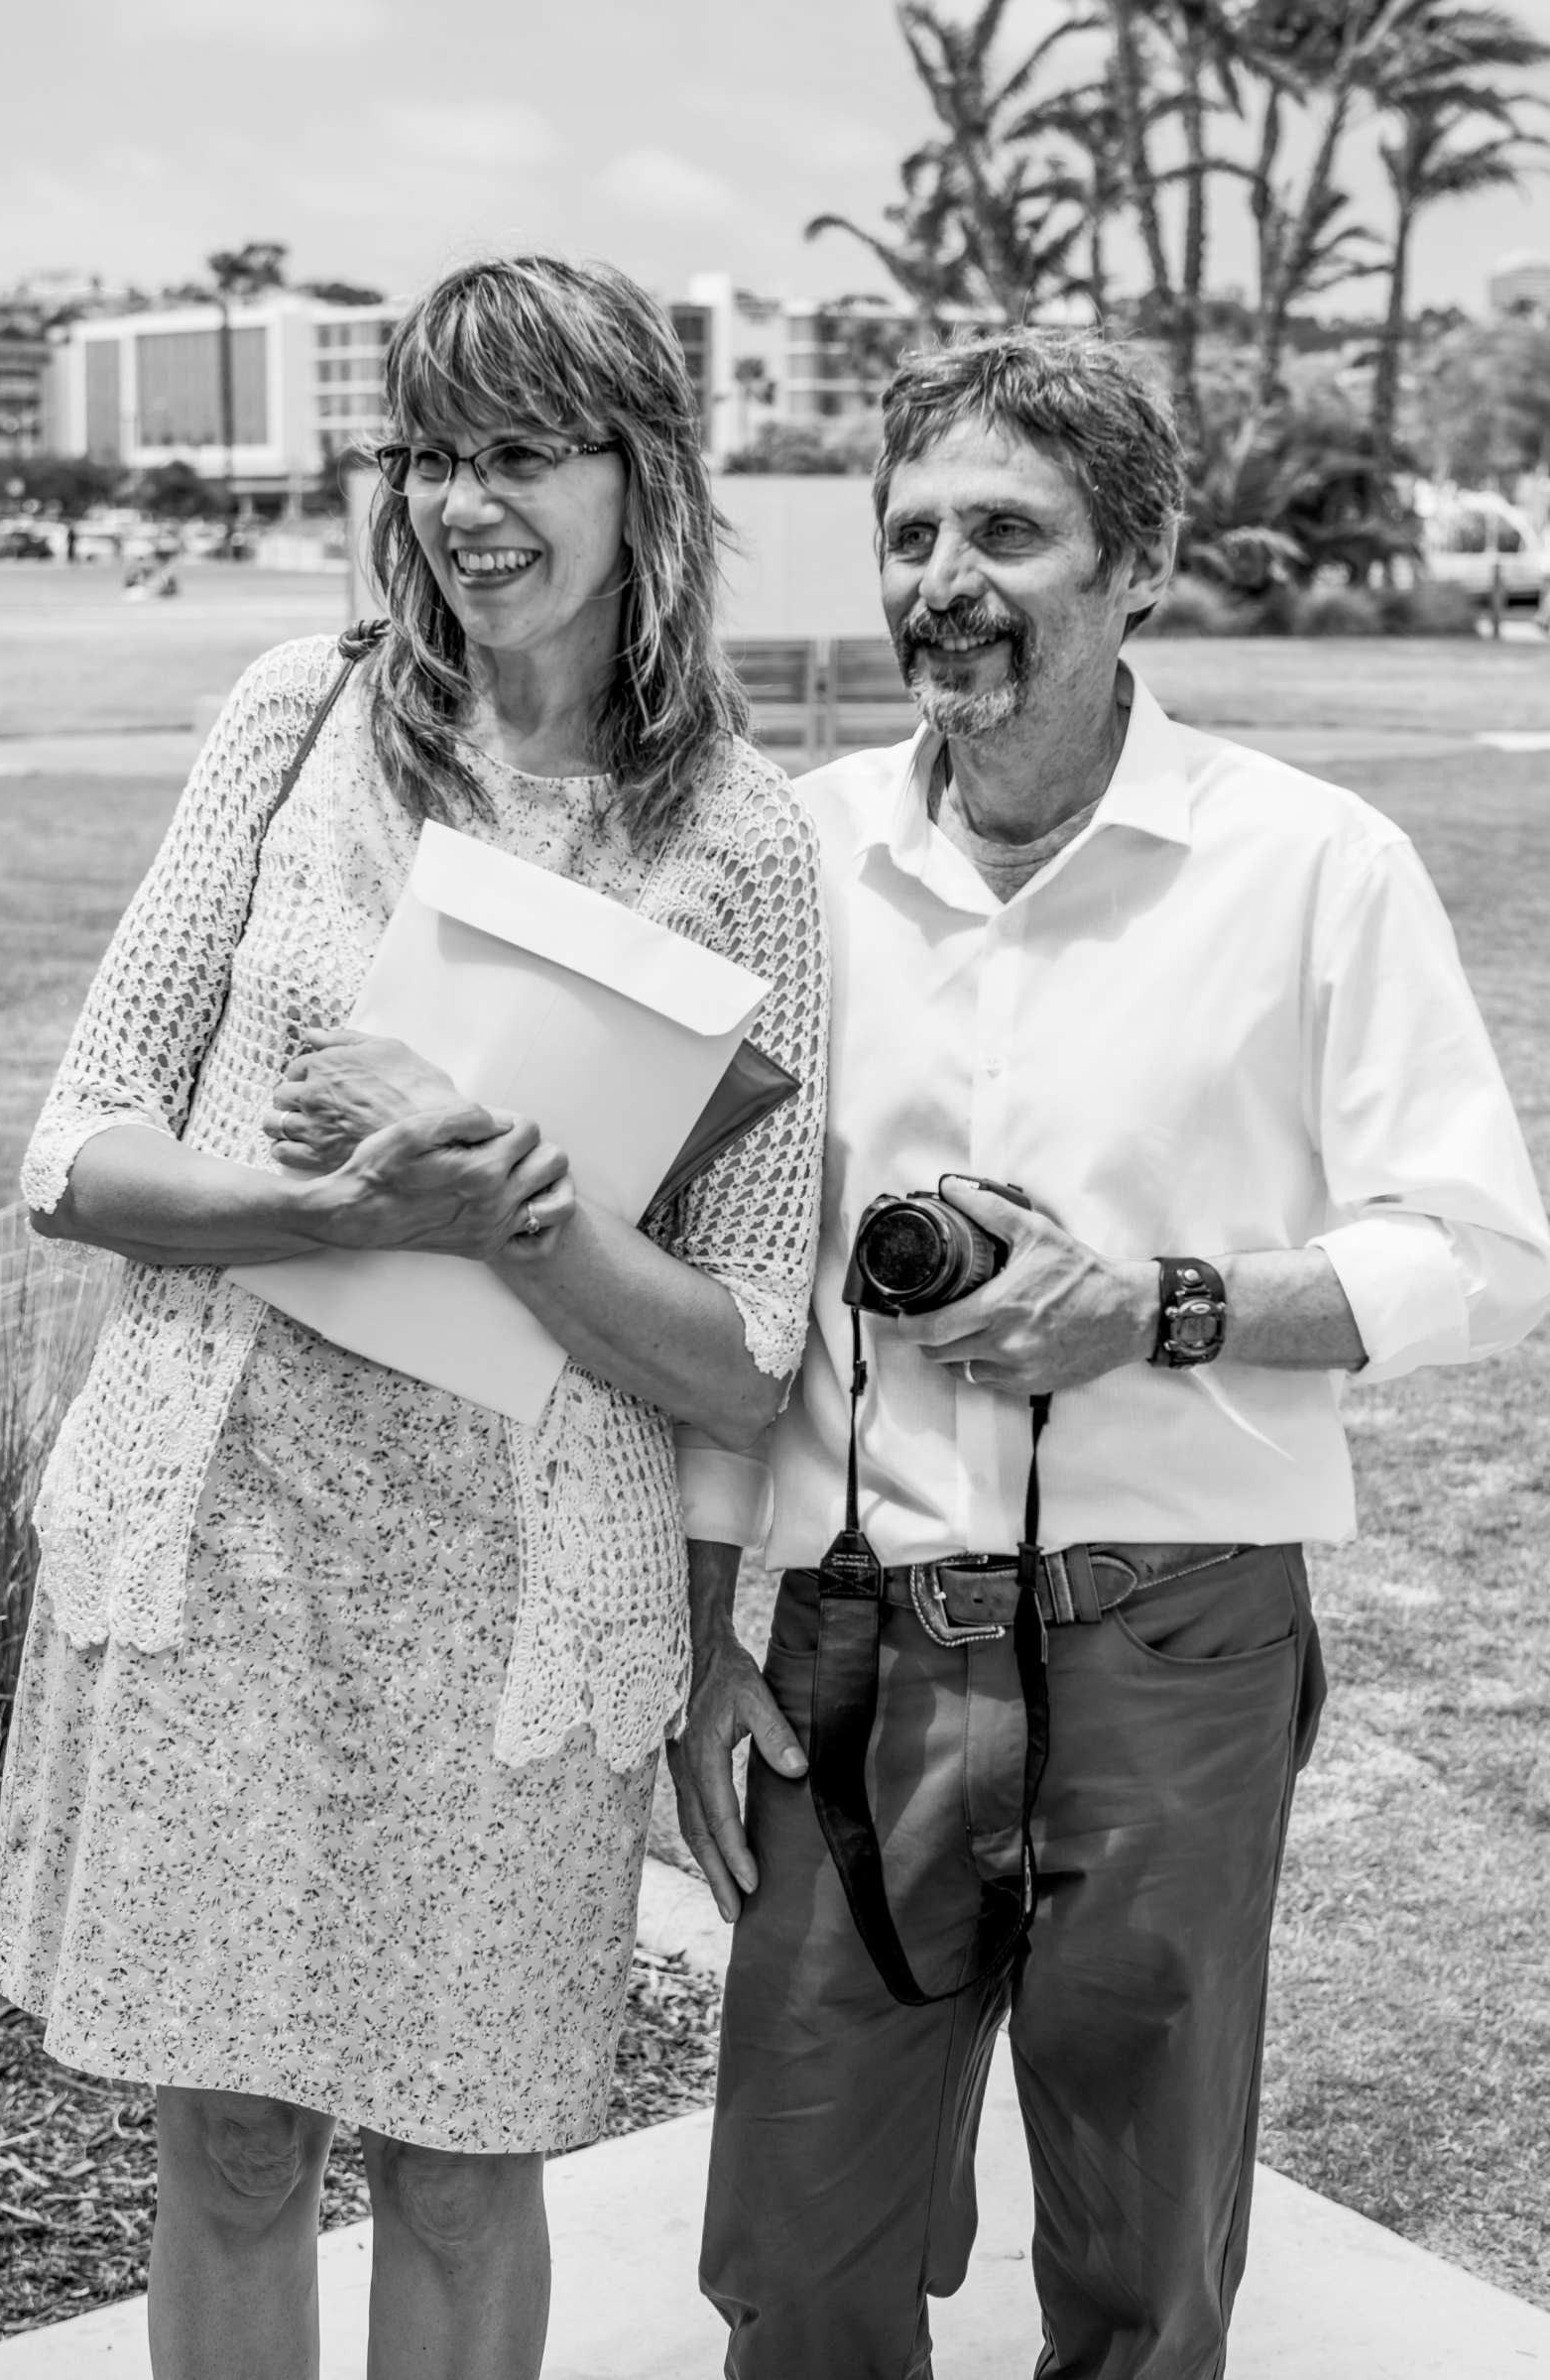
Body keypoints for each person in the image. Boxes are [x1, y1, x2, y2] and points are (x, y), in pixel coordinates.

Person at [669, 327, 1550, 2380]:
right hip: (844, 1654)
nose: (939, 580)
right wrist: (701, 1627)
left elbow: (1480, 1252)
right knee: (794, 2260)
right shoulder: (787, 863)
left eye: (1005, 531)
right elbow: (718, 1275)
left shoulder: (1307, 863)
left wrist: (1150, 1305)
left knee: (1143, 2272)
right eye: (911, 535)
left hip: (1171, 1646)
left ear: (1136, 559)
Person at [0, 256, 827, 2380]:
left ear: (643, 481)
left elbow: (740, 1345)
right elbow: (73, 1150)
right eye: (432, 451)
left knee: (463, 2160)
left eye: (520, 450)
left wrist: (513, 1211)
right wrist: (317, 1202)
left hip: (518, 1607)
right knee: (237, 2144)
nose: (464, 501)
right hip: (219, 1557)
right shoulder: (296, 714)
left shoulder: (745, 842)